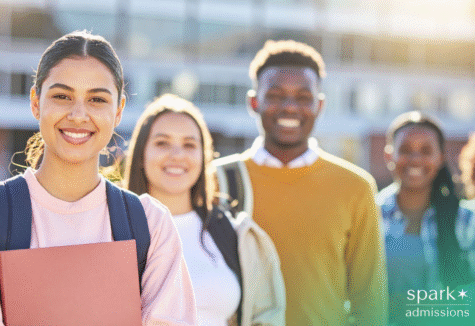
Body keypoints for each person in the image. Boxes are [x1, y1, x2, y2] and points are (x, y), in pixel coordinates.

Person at [0, 31, 196, 326]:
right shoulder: (3, 213)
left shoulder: (150, 224)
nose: (79, 115)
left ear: (118, 111)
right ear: (36, 102)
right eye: (62, 96)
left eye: (97, 99)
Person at [214, 40, 388, 325]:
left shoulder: (356, 187)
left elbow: (370, 301)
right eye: (275, 95)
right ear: (253, 103)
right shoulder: (215, 179)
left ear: (319, 105)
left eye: (303, 97)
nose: (290, 107)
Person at [122, 94, 286, 326]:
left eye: (189, 144)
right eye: (162, 143)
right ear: (140, 155)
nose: (177, 155)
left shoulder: (233, 232)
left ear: (203, 156)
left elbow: (265, 316)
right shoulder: (112, 227)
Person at [377, 111, 475, 325]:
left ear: (440, 157)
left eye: (426, 150)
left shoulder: (468, 223)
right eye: (405, 150)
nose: (415, 159)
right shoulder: (368, 216)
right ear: (388, 155)